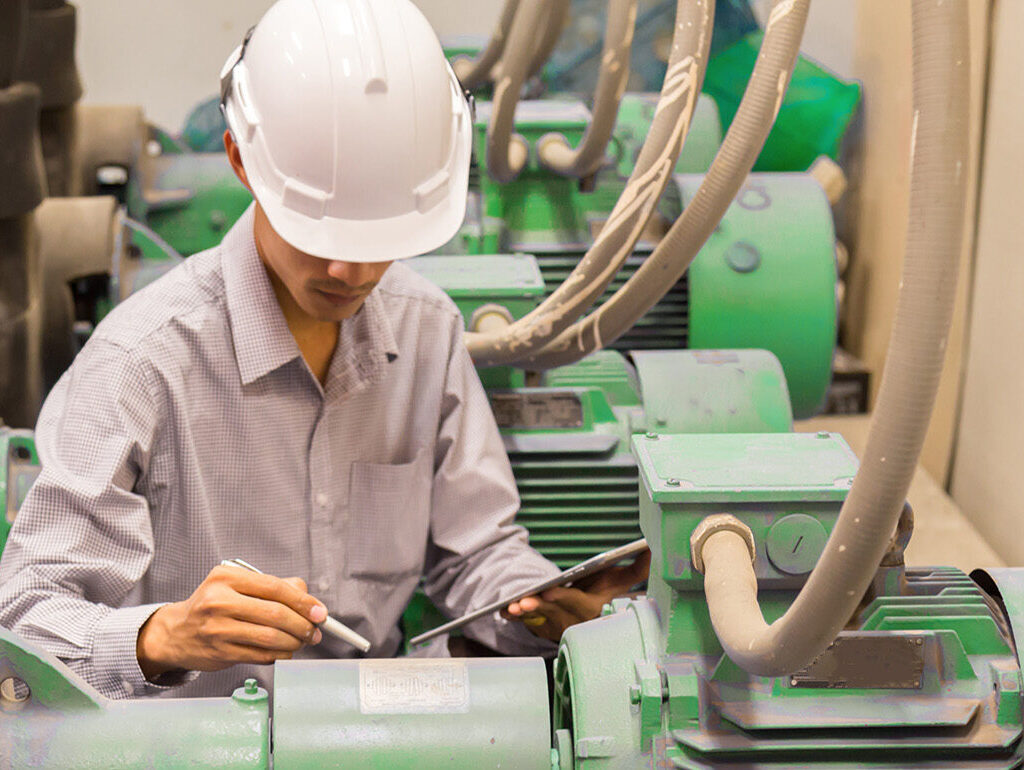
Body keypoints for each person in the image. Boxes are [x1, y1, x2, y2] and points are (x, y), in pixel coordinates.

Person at [0, 0, 648, 699]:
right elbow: (28, 617)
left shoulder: (426, 329)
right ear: (241, 162)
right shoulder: (141, 362)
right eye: (321, 237)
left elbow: (478, 554)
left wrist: (541, 611)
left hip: (377, 727)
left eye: (377, 242)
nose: (352, 274)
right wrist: (162, 637)